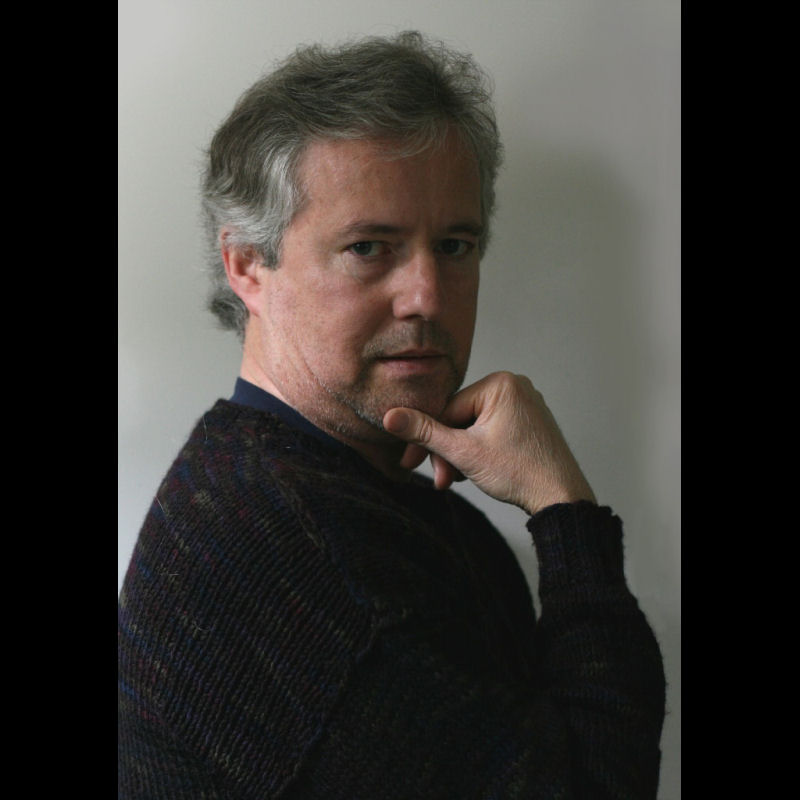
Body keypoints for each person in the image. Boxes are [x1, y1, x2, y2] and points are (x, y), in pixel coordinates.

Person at [118, 31, 665, 799]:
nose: (428, 297)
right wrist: (563, 508)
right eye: (369, 247)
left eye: (456, 245)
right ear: (247, 265)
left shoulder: (351, 500)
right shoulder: (282, 551)